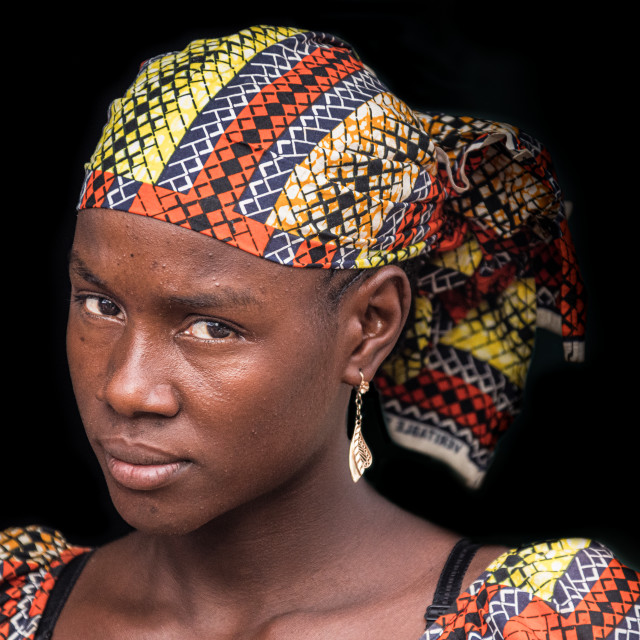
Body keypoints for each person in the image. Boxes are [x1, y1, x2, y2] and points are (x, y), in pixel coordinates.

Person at [1, 26, 638, 639]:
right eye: (100, 305)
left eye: (210, 327)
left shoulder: (547, 623)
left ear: (368, 329)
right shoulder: (14, 603)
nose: (126, 388)